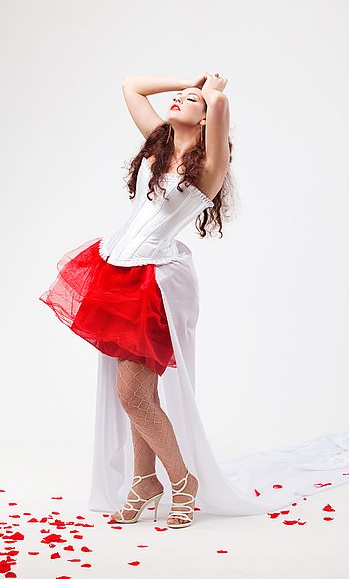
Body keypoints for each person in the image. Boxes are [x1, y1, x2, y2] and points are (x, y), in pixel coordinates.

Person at [39, 72, 230, 528]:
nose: (180, 100)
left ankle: (182, 480)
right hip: (118, 271)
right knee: (137, 392)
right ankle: (145, 479)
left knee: (133, 395)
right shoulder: (159, 143)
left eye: (190, 100)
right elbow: (132, 86)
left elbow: (219, 106)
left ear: (205, 119)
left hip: (157, 283)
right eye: (179, 97)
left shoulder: (209, 166)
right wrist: (188, 80)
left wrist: (214, 91)